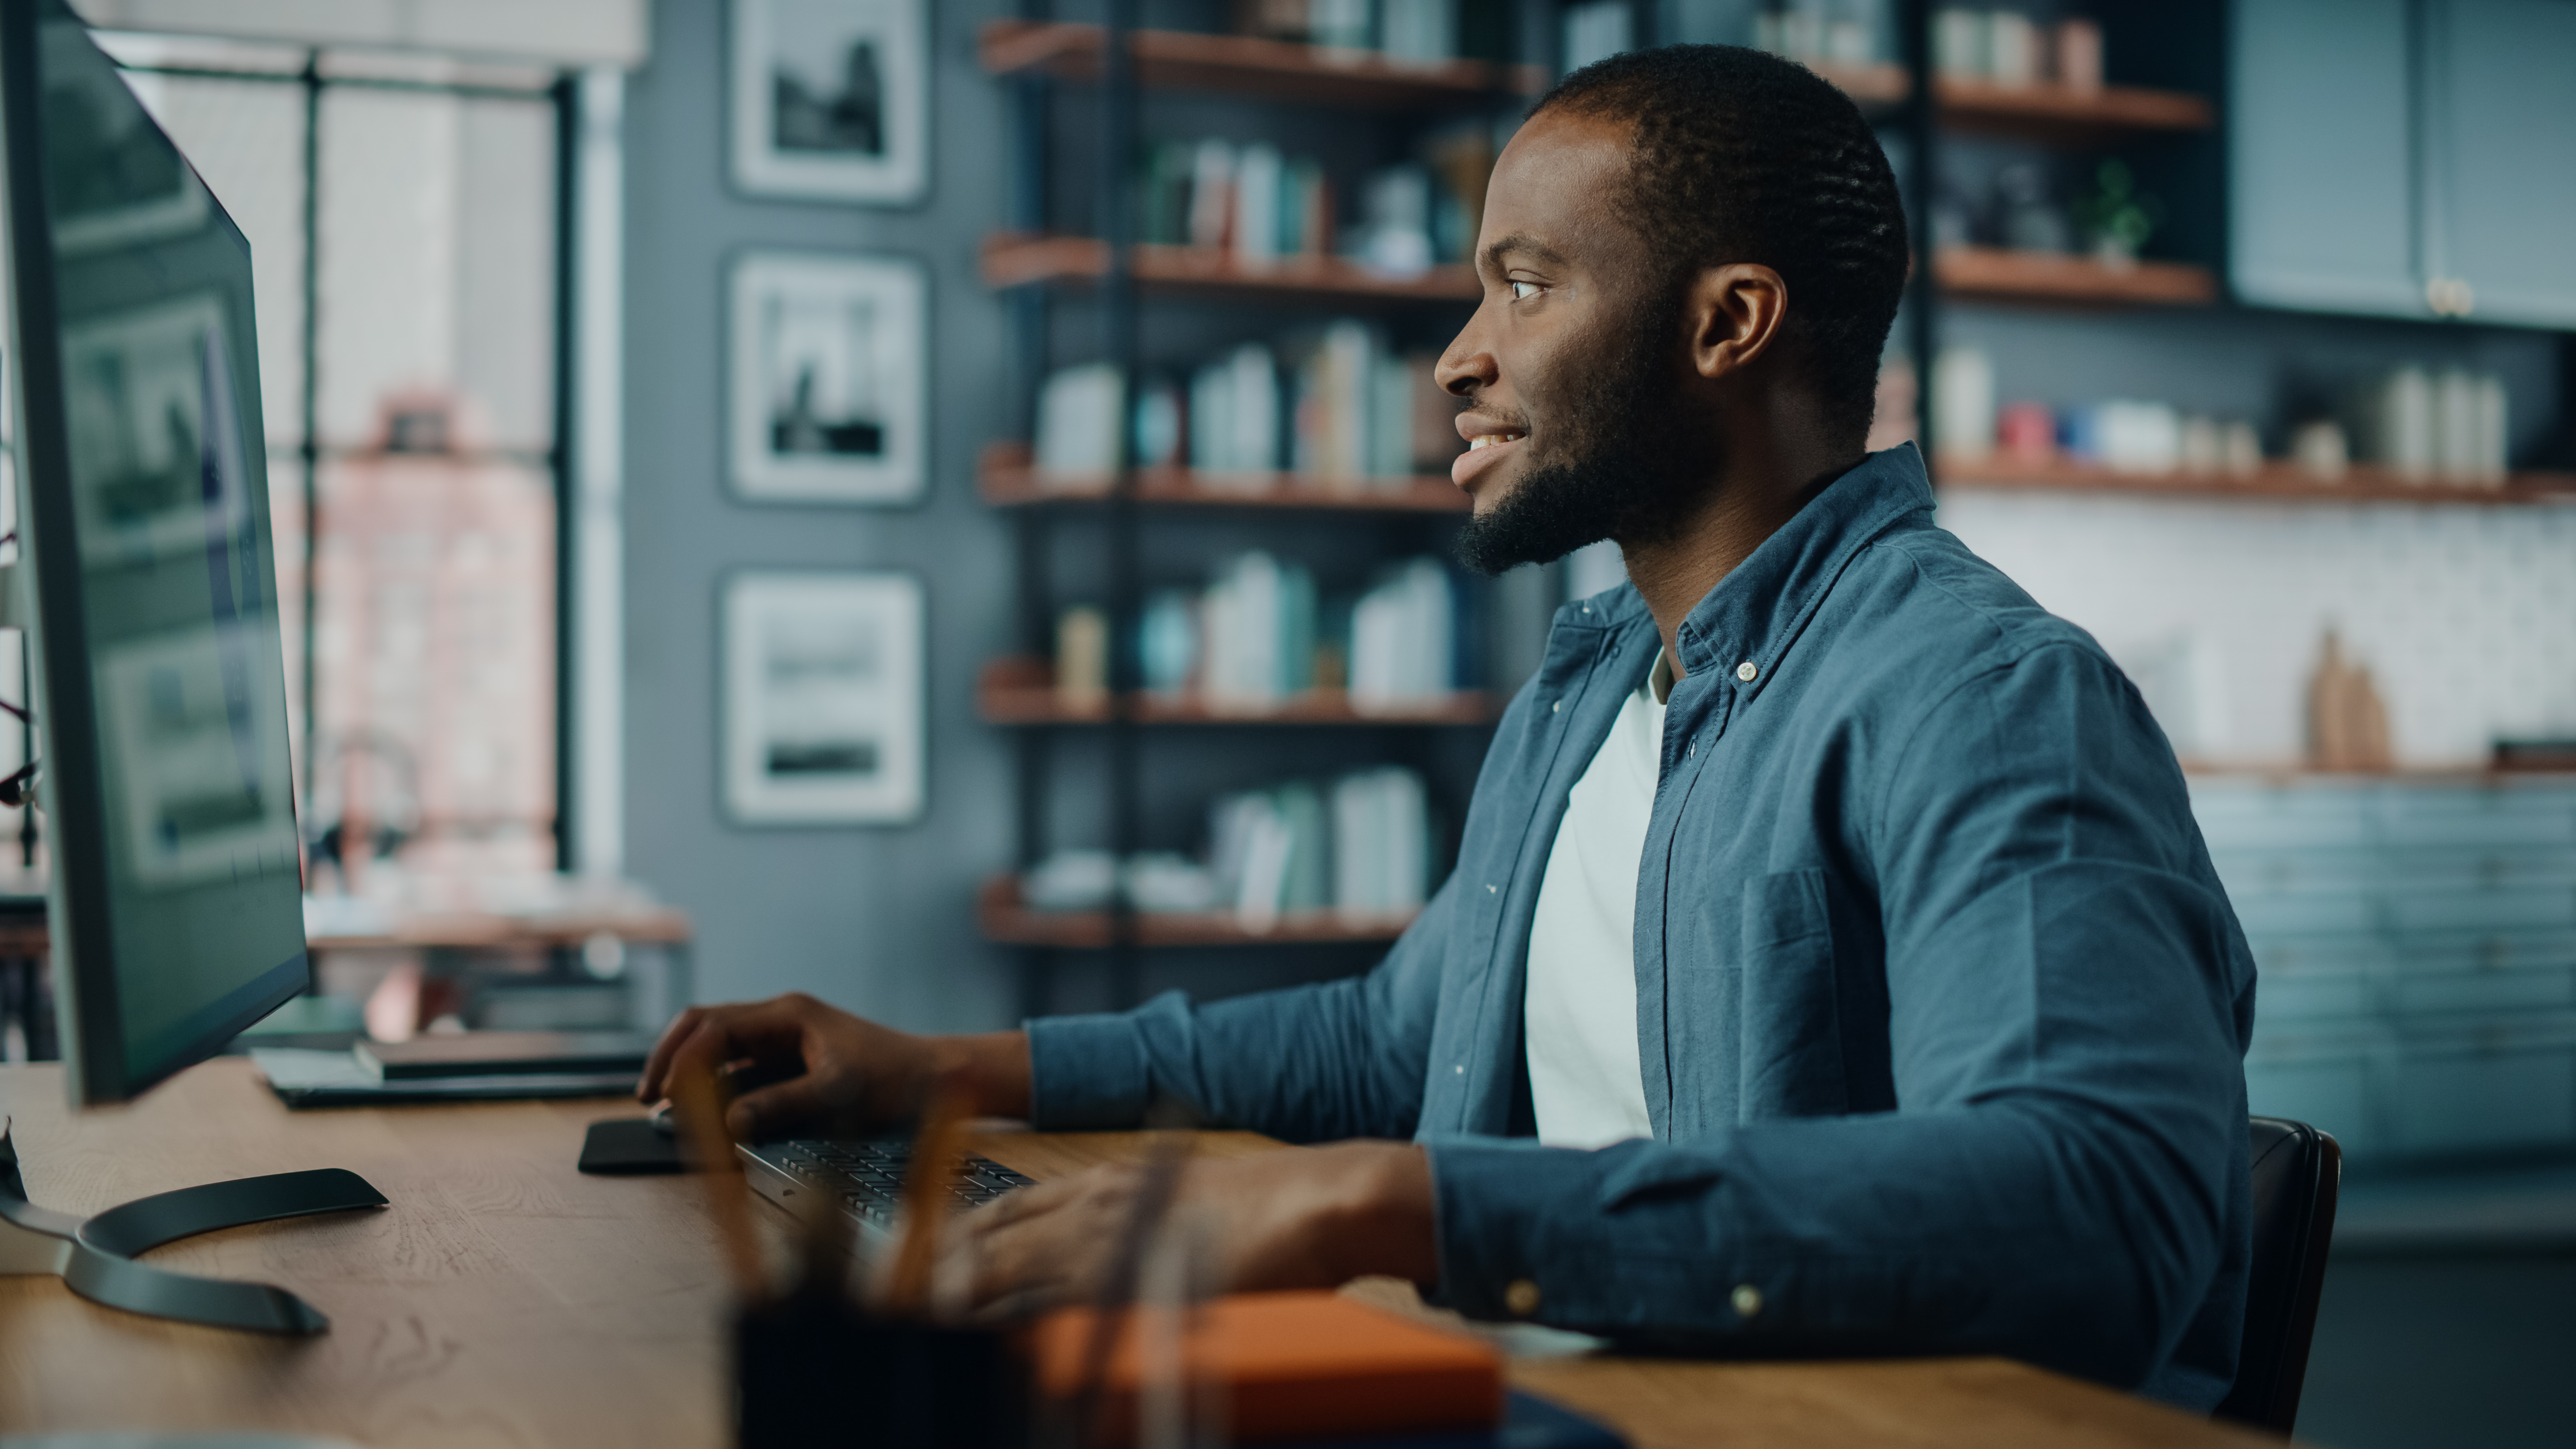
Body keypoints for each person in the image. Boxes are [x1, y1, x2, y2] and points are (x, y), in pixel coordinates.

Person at [640, 44, 2256, 1410]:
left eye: (1526, 286)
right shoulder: (1598, 680)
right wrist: (939, 1073)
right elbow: (1403, 1039)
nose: (1458, 359)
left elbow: (2102, 1204)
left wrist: (1383, 1201)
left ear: (1727, 323)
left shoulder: (1985, 698)